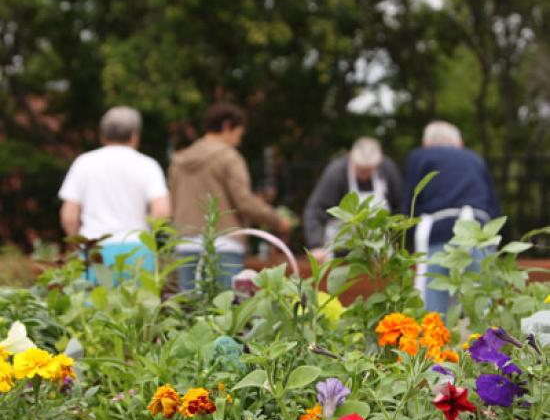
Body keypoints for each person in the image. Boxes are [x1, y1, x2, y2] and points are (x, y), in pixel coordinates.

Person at [169, 102, 291, 290]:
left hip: (185, 242)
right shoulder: (229, 157)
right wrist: (277, 220)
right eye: (238, 134)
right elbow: (244, 202)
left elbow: (172, 204)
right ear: (227, 126)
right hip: (224, 243)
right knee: (225, 311)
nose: (238, 140)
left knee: (189, 312)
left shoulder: (179, 161)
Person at [59, 106, 170, 277]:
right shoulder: (148, 165)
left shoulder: (84, 163)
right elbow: (161, 210)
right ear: (134, 135)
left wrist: (77, 244)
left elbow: (69, 215)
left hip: (94, 247)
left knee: (94, 302)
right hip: (137, 247)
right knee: (138, 302)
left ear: (103, 135)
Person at [403, 120, 500, 314]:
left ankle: (433, 342)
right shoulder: (474, 158)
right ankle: (485, 340)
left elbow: (410, 203)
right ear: (459, 142)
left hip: (437, 232)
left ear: (426, 142)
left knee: (434, 307)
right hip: (478, 232)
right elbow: (494, 206)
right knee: (480, 303)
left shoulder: (420, 156)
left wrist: (407, 242)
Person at [303, 137, 403, 262]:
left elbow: (400, 208)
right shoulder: (336, 173)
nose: (365, 175)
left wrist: (397, 241)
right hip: (340, 247)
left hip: (379, 249)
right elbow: (316, 210)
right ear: (351, 157)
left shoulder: (388, 170)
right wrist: (316, 244)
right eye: (361, 169)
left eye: (369, 170)